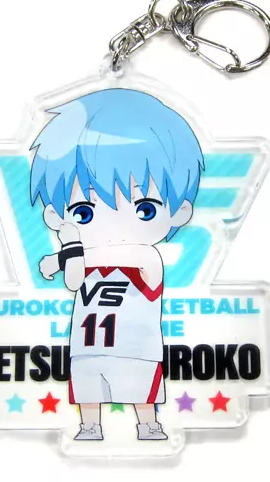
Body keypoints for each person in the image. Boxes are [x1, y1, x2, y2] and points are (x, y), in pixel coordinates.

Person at [30, 88, 203, 440]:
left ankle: (149, 425)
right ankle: (90, 427)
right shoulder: (81, 257)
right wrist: (68, 251)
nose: (113, 224)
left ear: (181, 211)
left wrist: (64, 252)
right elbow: (74, 280)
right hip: (87, 346)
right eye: (83, 211)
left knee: (140, 391)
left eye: (145, 209)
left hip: (136, 348)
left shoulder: (146, 256)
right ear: (54, 215)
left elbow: (113, 255)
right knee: (89, 392)